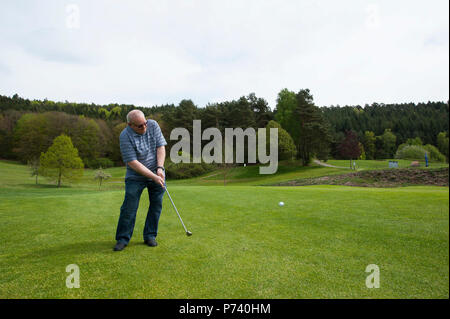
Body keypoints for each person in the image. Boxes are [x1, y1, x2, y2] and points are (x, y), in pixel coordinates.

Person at [113, 110, 167, 251]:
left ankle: (150, 236)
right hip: (135, 176)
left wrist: (160, 169)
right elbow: (132, 162)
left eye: (145, 123)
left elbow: (160, 147)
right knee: (129, 207)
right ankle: (123, 239)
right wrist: (153, 176)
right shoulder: (125, 136)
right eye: (139, 126)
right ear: (129, 125)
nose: (144, 127)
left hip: (157, 171)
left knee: (156, 205)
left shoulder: (153, 125)